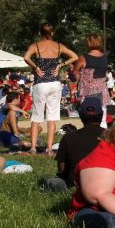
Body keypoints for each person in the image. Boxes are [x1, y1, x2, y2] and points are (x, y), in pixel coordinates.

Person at [22, 23, 78, 153]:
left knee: (36, 117)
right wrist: (60, 65)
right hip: (54, 83)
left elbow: (26, 57)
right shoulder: (58, 46)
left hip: (40, 83)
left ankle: (33, 148)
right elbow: (74, 56)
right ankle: (49, 148)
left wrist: (35, 67)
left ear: (40, 33)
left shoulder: (35, 46)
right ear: (52, 33)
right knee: (52, 117)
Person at [47, 96, 104, 191]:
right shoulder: (113, 137)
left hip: (75, 182)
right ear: (101, 115)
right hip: (106, 182)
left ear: (81, 116)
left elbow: (61, 168)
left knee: (52, 182)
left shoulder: (68, 138)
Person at [72, 33, 109, 123]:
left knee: (88, 116)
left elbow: (75, 71)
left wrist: (80, 78)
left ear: (89, 43)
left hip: (88, 91)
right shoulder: (105, 57)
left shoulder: (84, 57)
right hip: (102, 91)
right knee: (101, 115)